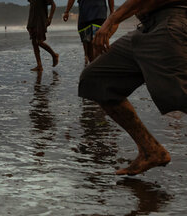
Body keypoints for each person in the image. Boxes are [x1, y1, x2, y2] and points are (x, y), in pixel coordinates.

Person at [78, 0, 187, 175]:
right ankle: (151, 150)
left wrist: (112, 20)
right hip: (146, 26)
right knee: (96, 79)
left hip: (171, 22)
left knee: (179, 97)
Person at [63, 0, 115, 65]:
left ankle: (98, 66)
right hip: (85, 16)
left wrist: (112, 11)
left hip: (98, 14)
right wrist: (67, 11)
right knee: (88, 44)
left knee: (97, 42)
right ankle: (94, 66)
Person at [27, 0, 59, 71]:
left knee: (39, 41)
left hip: (41, 20)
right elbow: (32, 6)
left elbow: (53, 5)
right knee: (34, 42)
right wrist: (29, 23)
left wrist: (50, 18)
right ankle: (39, 65)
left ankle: (54, 55)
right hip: (32, 20)